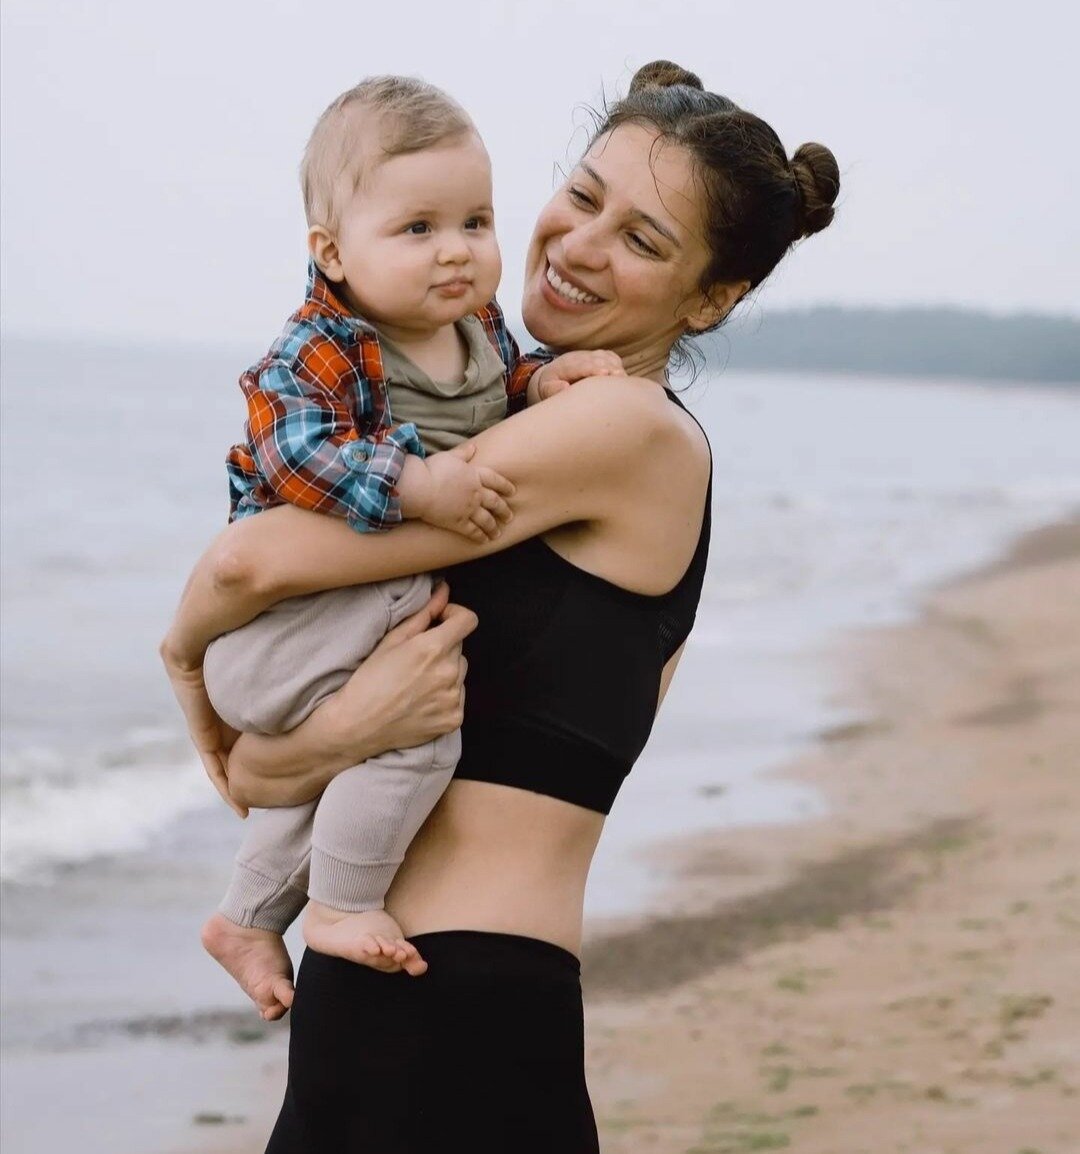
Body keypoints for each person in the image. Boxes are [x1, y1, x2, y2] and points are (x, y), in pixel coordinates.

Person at [161, 59, 840, 1152]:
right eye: (582, 196)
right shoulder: (497, 415)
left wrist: (185, 659)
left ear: (712, 298)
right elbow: (260, 778)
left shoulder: (628, 432)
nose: (579, 245)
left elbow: (248, 565)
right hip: (381, 990)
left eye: (642, 239)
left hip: (457, 1015)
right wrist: (335, 733)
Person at [195, 75, 621, 1022]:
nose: (456, 251)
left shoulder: (475, 330)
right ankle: (341, 904)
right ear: (333, 253)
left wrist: (544, 388)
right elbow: (293, 453)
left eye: (476, 221)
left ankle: (245, 918)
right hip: (285, 630)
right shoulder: (322, 348)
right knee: (420, 729)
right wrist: (414, 482)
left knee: (353, 755)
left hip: (343, 620)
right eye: (418, 228)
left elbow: (499, 393)